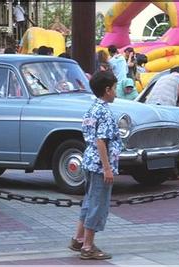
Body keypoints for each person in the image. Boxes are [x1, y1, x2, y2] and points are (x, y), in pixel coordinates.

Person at [69, 70, 122, 260]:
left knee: (89, 201)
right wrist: (107, 168)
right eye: (115, 88)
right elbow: (102, 141)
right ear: (107, 90)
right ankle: (88, 246)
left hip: (89, 160)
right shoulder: (105, 112)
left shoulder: (92, 108)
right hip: (100, 164)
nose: (116, 92)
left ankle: (78, 238)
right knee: (97, 204)